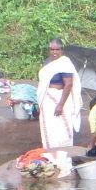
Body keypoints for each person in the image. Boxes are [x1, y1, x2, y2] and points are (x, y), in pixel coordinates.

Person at [36, 37, 82, 177]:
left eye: (57, 49)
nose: (54, 52)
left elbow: (68, 84)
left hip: (59, 99)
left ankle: (63, 159)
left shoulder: (65, 63)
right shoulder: (47, 62)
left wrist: (60, 104)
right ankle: (51, 158)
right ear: (49, 50)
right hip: (47, 99)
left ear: (62, 50)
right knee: (49, 130)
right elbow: (43, 82)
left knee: (61, 130)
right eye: (52, 49)